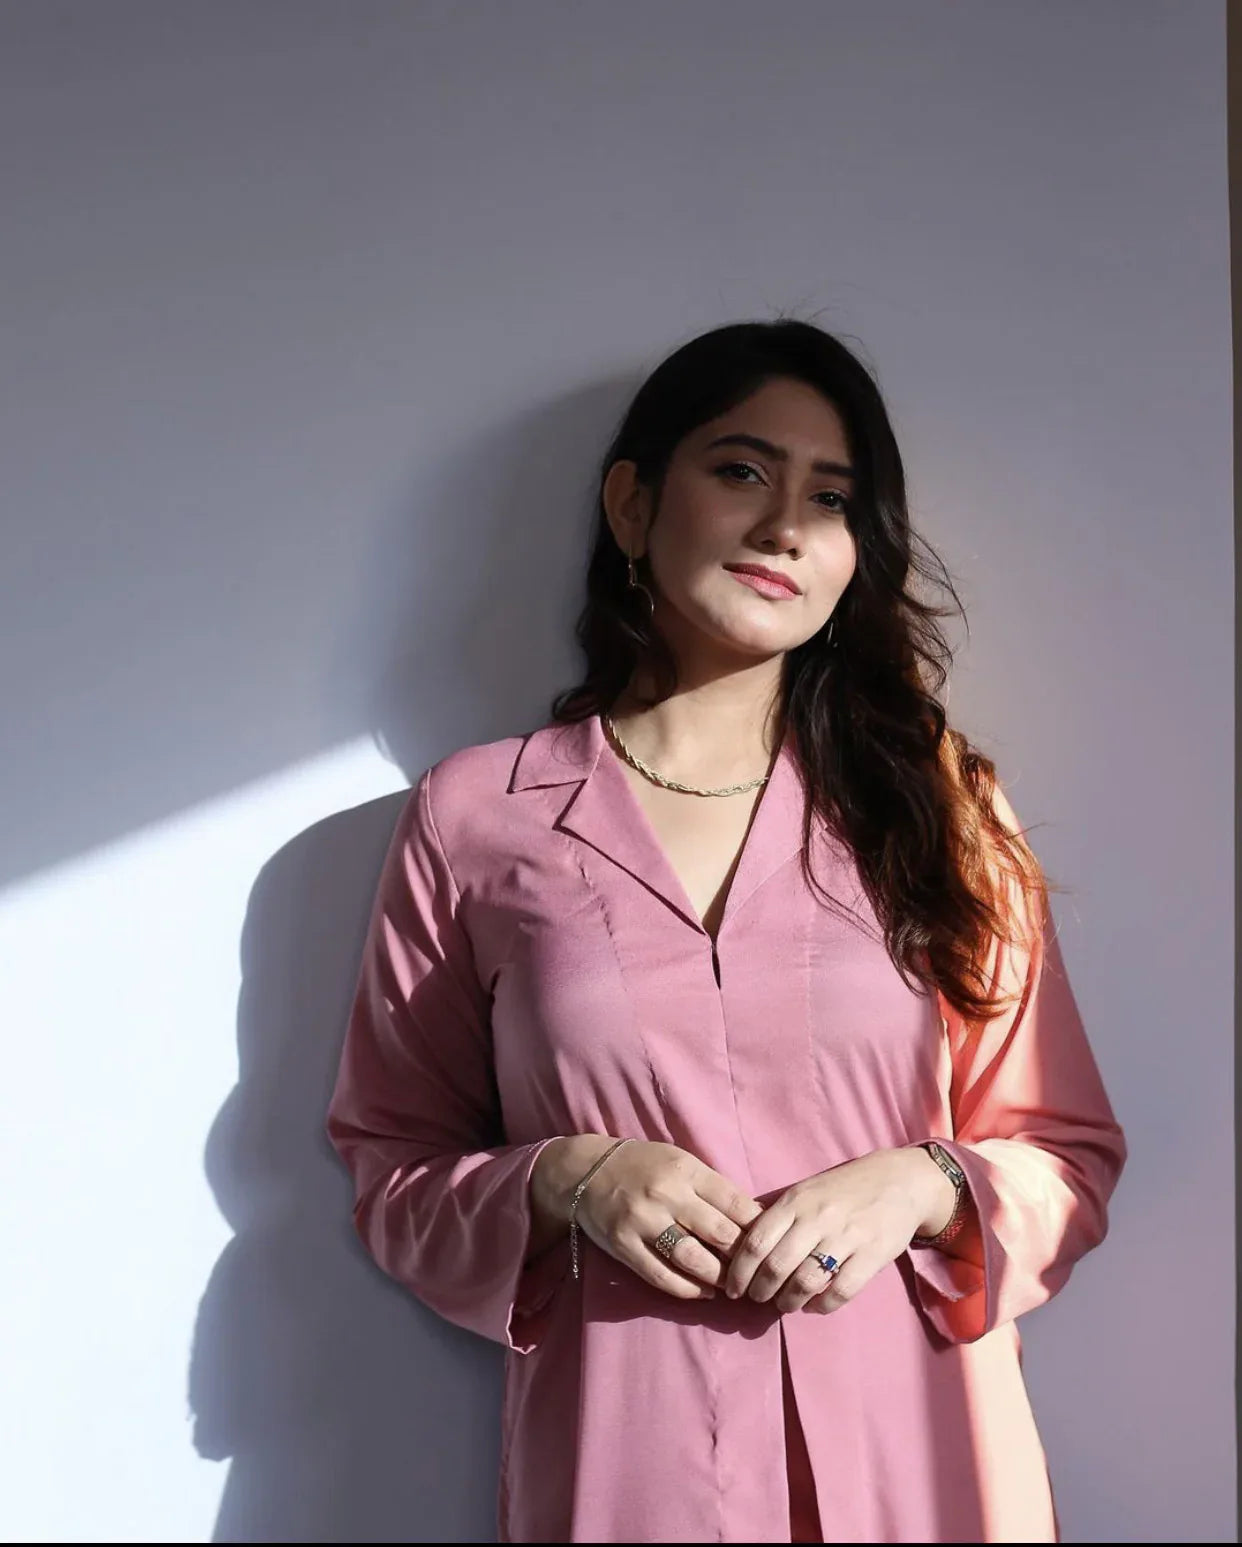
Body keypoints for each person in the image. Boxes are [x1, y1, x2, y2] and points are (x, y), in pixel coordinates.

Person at [326, 318, 1127, 1543]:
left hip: (923, 1474)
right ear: (634, 503)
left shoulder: (940, 803)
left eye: (832, 497)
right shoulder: (476, 816)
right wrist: (567, 1178)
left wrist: (923, 1181)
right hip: (630, 1477)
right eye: (743, 470)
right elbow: (396, 1167)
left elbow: (1065, 1153)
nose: (784, 526)